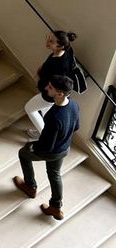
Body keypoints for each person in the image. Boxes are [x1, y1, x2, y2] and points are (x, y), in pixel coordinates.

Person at [14, 74, 80, 221]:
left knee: (23, 153)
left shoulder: (53, 116)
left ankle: (30, 186)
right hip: (64, 149)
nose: (46, 88)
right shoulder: (74, 104)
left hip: (52, 151)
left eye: (50, 87)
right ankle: (56, 208)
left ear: (60, 94)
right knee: (54, 174)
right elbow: (76, 127)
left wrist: (33, 147)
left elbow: (46, 144)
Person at [24, 30, 78, 140]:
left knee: (29, 108)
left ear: (60, 46)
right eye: (49, 38)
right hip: (52, 92)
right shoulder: (66, 51)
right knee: (45, 111)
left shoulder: (59, 65)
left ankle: (44, 136)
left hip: (50, 94)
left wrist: (42, 80)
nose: (48, 42)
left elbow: (53, 80)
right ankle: (43, 131)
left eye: (52, 41)